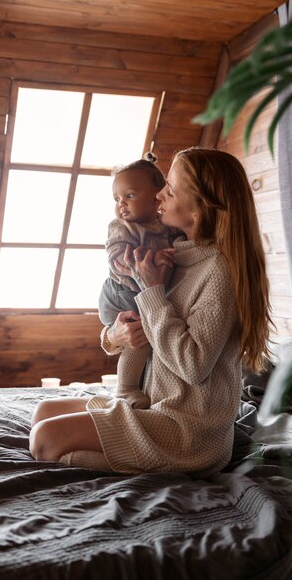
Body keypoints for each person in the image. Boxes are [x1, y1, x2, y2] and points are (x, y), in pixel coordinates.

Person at [29, 147, 272, 476]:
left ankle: (147, 468)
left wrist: (152, 290)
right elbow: (148, 329)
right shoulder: (178, 255)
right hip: (152, 402)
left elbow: (193, 366)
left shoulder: (220, 271)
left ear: (200, 207)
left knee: (45, 439)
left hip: (188, 431)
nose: (158, 195)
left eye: (169, 190)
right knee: (42, 412)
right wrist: (114, 335)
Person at [99, 153, 183, 410]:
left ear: (156, 195)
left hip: (141, 291)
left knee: (144, 330)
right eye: (117, 198)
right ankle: (125, 388)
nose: (121, 204)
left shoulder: (166, 226)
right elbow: (118, 260)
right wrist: (152, 260)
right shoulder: (122, 226)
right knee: (141, 331)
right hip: (121, 291)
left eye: (130, 196)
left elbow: (180, 246)